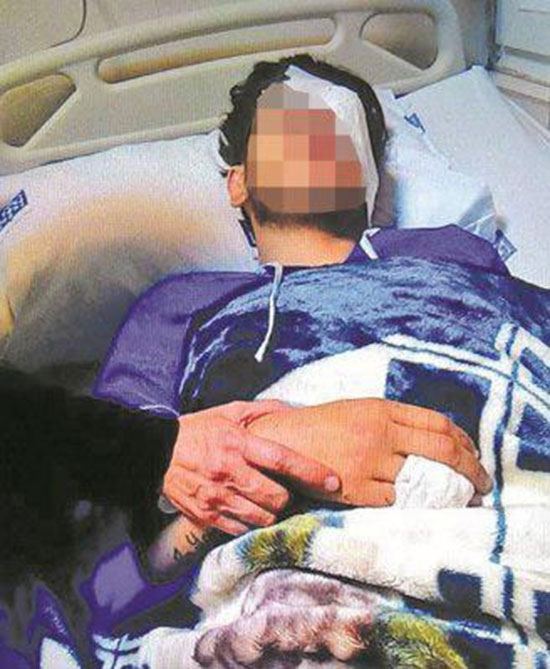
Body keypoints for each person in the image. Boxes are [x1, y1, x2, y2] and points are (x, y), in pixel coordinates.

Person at [95, 54, 499, 553]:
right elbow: (107, 502)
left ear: (370, 185)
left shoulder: (451, 254)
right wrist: (285, 447)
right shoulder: (182, 304)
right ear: (238, 182)